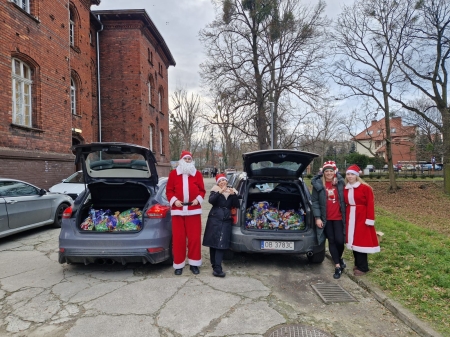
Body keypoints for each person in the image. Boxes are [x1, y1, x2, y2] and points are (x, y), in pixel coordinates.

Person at [166, 150, 206, 275]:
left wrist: (197, 199)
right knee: (179, 239)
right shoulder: (173, 174)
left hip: (193, 210)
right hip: (178, 211)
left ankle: (194, 263)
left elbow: (202, 191)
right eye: (186, 159)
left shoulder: (197, 174)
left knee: (194, 238)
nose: (188, 161)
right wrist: (174, 201)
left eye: (189, 159)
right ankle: (179, 264)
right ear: (181, 160)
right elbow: (169, 191)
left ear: (191, 161)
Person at [311, 161, 347, 279]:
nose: (329, 173)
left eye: (331, 171)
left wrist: (338, 177)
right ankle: (337, 266)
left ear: (334, 172)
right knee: (331, 240)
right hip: (326, 218)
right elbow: (315, 202)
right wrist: (317, 218)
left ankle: (339, 258)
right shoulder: (318, 185)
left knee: (340, 241)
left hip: (339, 217)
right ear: (323, 173)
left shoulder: (340, 183)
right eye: (327, 171)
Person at [344, 164, 380, 276]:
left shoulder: (365, 188)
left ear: (356, 176)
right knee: (354, 242)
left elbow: (370, 204)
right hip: (351, 216)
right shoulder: (346, 188)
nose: (350, 176)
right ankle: (358, 264)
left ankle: (363, 267)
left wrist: (369, 219)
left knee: (361, 241)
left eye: (352, 174)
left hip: (362, 216)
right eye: (348, 174)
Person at [202, 174, 240, 277]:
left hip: (226, 220)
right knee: (213, 242)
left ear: (227, 182)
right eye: (220, 181)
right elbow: (211, 201)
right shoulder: (215, 191)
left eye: (224, 180)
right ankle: (214, 265)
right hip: (214, 219)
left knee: (221, 243)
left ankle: (218, 268)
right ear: (218, 183)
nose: (223, 182)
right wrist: (220, 191)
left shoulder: (232, 191)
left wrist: (234, 195)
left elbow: (237, 205)